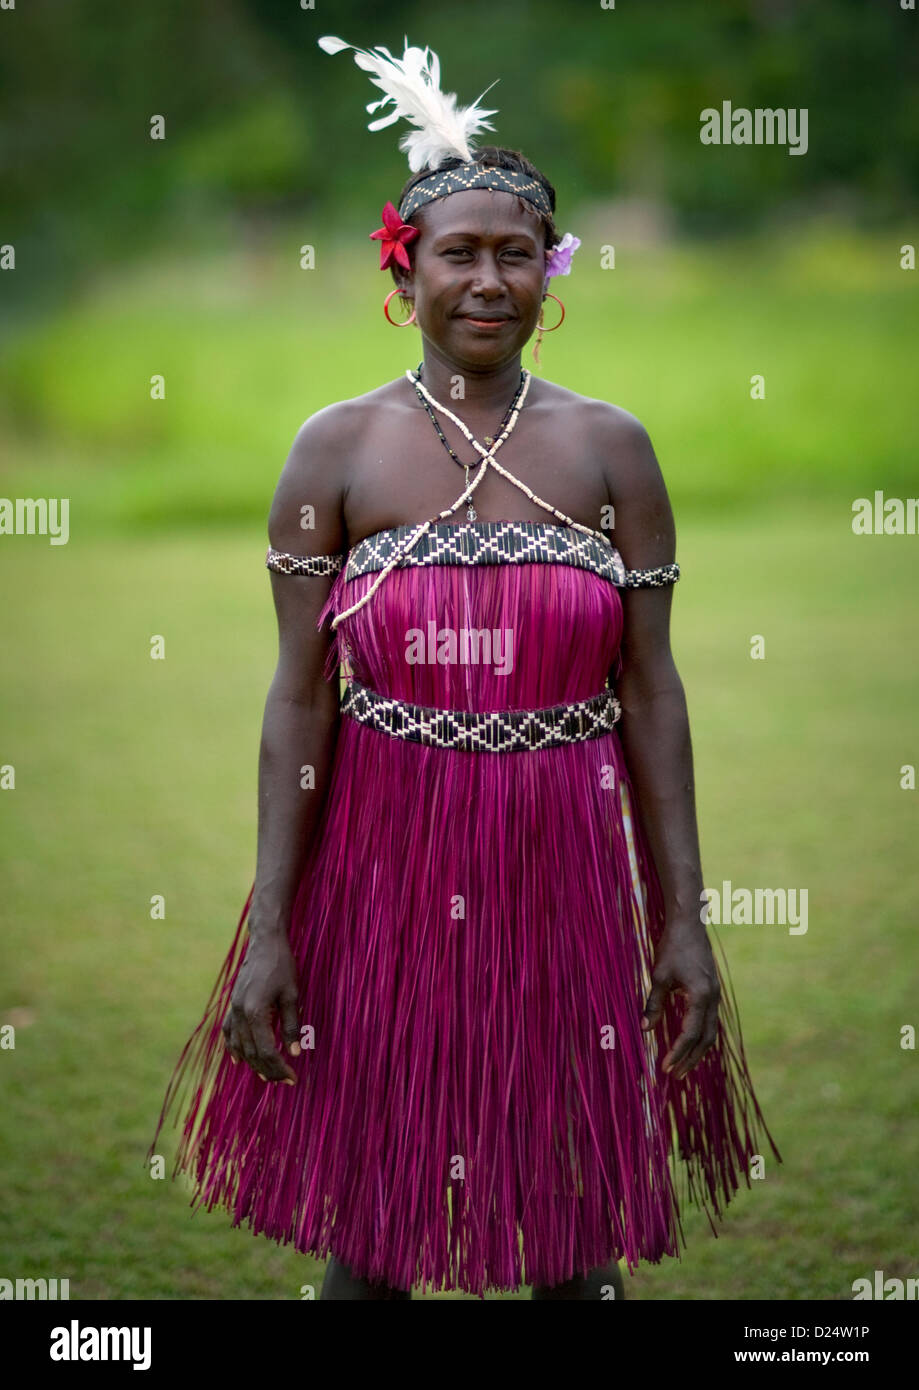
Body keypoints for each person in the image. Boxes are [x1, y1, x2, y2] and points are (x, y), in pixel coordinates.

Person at [151, 36, 780, 1301]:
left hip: (563, 868)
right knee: (374, 1228)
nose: (487, 280)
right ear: (406, 266)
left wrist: (683, 914)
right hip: (379, 869)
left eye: (514, 254)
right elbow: (297, 698)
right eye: (458, 252)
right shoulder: (332, 453)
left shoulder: (613, 451)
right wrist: (270, 927)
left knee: (569, 1225)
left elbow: (651, 692)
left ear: (548, 275)